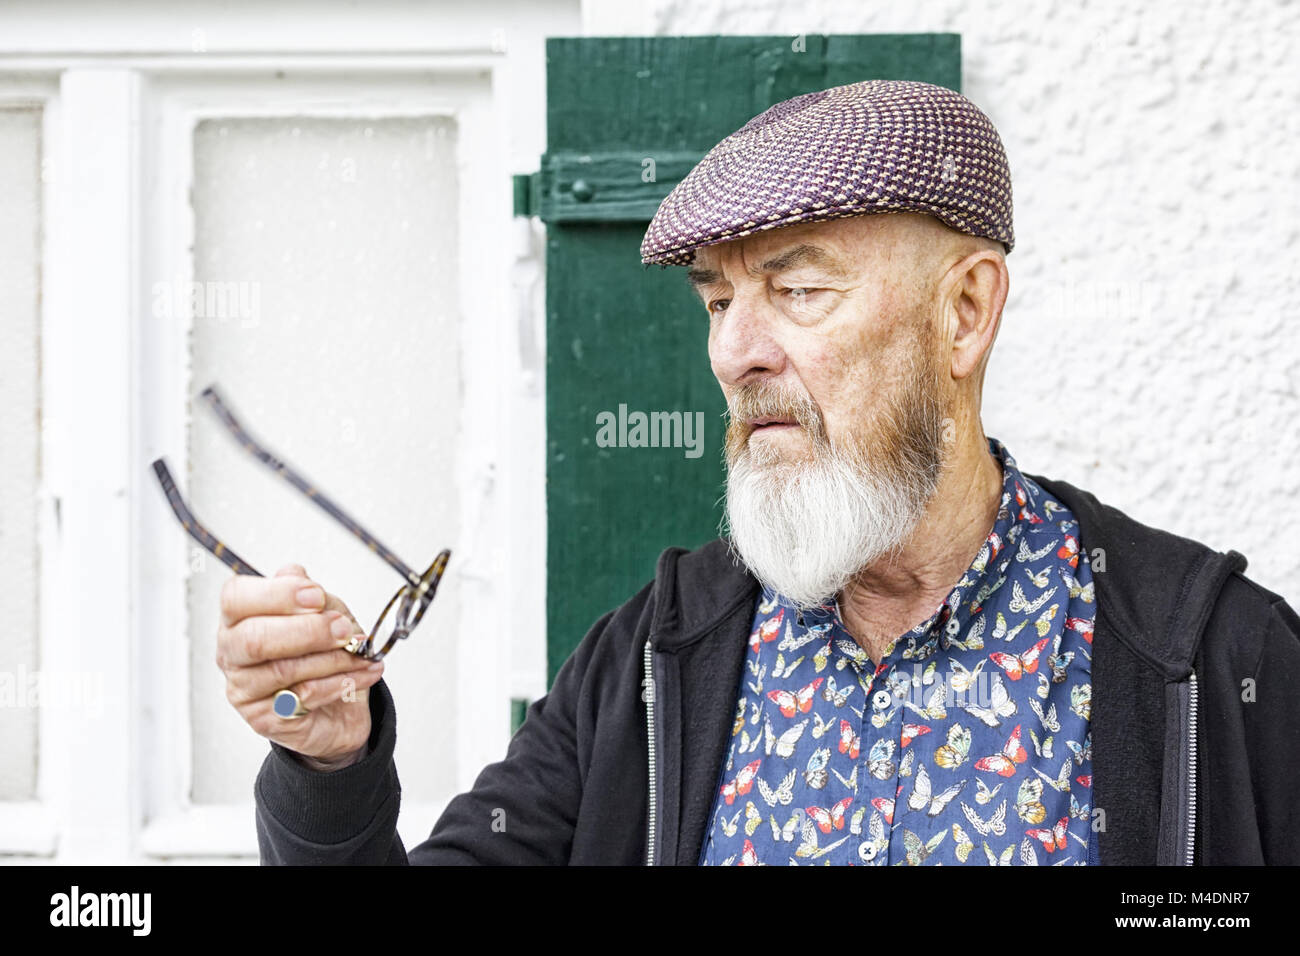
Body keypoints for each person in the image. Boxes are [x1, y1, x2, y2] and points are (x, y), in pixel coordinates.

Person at [221, 80, 1300, 865]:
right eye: (716, 300)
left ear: (963, 313)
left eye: (797, 292)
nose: (737, 351)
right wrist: (330, 764)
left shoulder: (1208, 655)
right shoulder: (655, 657)